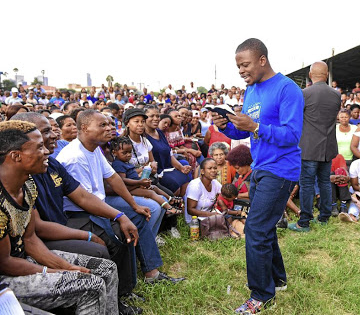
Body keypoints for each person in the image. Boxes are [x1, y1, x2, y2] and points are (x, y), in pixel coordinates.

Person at [213, 38, 303, 313]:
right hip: (261, 167)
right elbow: (248, 130)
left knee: (255, 228)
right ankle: (277, 281)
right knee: (263, 227)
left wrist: (255, 125)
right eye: (238, 66)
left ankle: (261, 295)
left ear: (262, 60)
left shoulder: (288, 89)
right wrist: (228, 127)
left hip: (281, 168)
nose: (241, 70)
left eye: (245, 64)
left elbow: (292, 135)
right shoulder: (251, 90)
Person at [0, 120, 119, 314]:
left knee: (106, 269)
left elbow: (30, 239)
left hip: (25, 261)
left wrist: (67, 267)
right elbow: (5, 263)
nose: (47, 152)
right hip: (5, 277)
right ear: (16, 156)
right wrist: (56, 271)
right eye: (39, 148)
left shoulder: (27, 185)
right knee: (91, 286)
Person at [57, 110, 183, 284]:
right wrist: (119, 215)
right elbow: (84, 200)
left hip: (98, 202)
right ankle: (128, 282)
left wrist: (133, 205)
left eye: (109, 124)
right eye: (102, 125)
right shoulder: (75, 157)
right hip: (82, 213)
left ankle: (151, 273)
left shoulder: (93, 149)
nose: (110, 128)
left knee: (138, 215)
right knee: (124, 226)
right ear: (85, 128)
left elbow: (113, 178)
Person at [288, 61, 340, 232]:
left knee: (307, 183)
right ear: (327, 75)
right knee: (325, 181)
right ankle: (324, 216)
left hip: (309, 147)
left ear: (310, 75)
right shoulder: (336, 95)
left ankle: (304, 222)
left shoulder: (304, 94)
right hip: (328, 146)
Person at [184, 158, 222, 223]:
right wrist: (211, 215)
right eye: (210, 168)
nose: (213, 170)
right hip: (195, 222)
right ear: (202, 171)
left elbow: (224, 195)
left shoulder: (215, 183)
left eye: (215, 168)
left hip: (210, 216)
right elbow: (190, 210)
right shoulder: (195, 186)